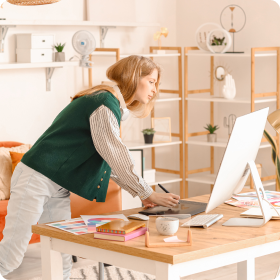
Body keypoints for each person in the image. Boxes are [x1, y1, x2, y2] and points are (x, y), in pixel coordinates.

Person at [0, 55, 180, 279]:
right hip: (36, 177)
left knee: (60, 251)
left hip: (58, 183)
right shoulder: (103, 102)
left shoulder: (106, 101)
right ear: (134, 77)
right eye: (152, 81)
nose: (155, 89)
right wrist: (147, 192)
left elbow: (110, 158)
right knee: (12, 253)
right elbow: (115, 154)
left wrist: (143, 194)